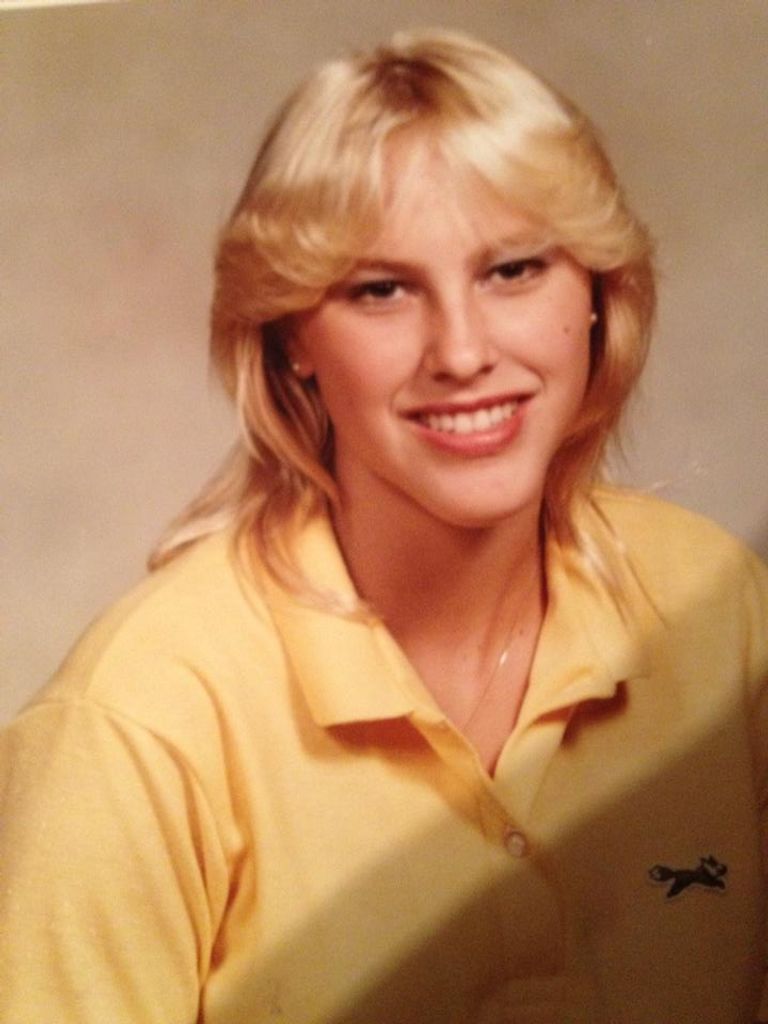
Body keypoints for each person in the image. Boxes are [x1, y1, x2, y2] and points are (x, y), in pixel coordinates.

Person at [0, 27, 766, 1024]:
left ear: (595, 294)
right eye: (382, 290)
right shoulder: (133, 725)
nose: (462, 352)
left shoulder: (721, 608)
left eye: (513, 269)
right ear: (292, 336)